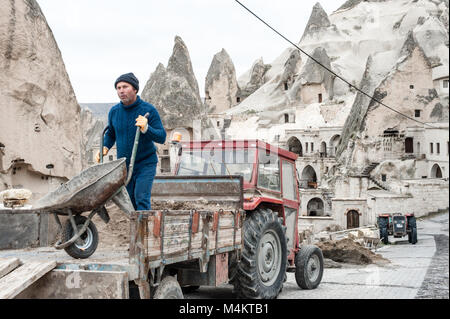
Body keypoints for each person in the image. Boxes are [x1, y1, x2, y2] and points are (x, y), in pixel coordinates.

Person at [96, 72, 166, 210]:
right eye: (118, 88)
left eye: (125, 87)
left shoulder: (148, 110)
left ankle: (142, 231)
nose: (121, 91)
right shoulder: (114, 112)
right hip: (125, 165)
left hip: (145, 163)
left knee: (141, 197)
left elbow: (161, 136)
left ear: (135, 89)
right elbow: (111, 133)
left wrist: (147, 128)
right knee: (131, 202)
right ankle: (136, 229)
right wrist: (104, 147)